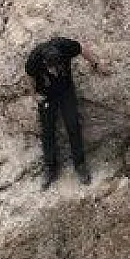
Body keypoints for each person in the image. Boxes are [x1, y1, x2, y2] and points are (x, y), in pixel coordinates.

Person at [24, 36, 100, 187]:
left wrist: (96, 64)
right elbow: (29, 76)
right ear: (44, 62)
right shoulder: (35, 58)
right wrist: (34, 95)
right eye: (51, 67)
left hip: (65, 91)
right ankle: (50, 168)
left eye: (57, 66)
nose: (54, 70)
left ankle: (80, 165)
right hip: (46, 94)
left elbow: (82, 49)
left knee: (73, 125)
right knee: (47, 131)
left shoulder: (64, 46)